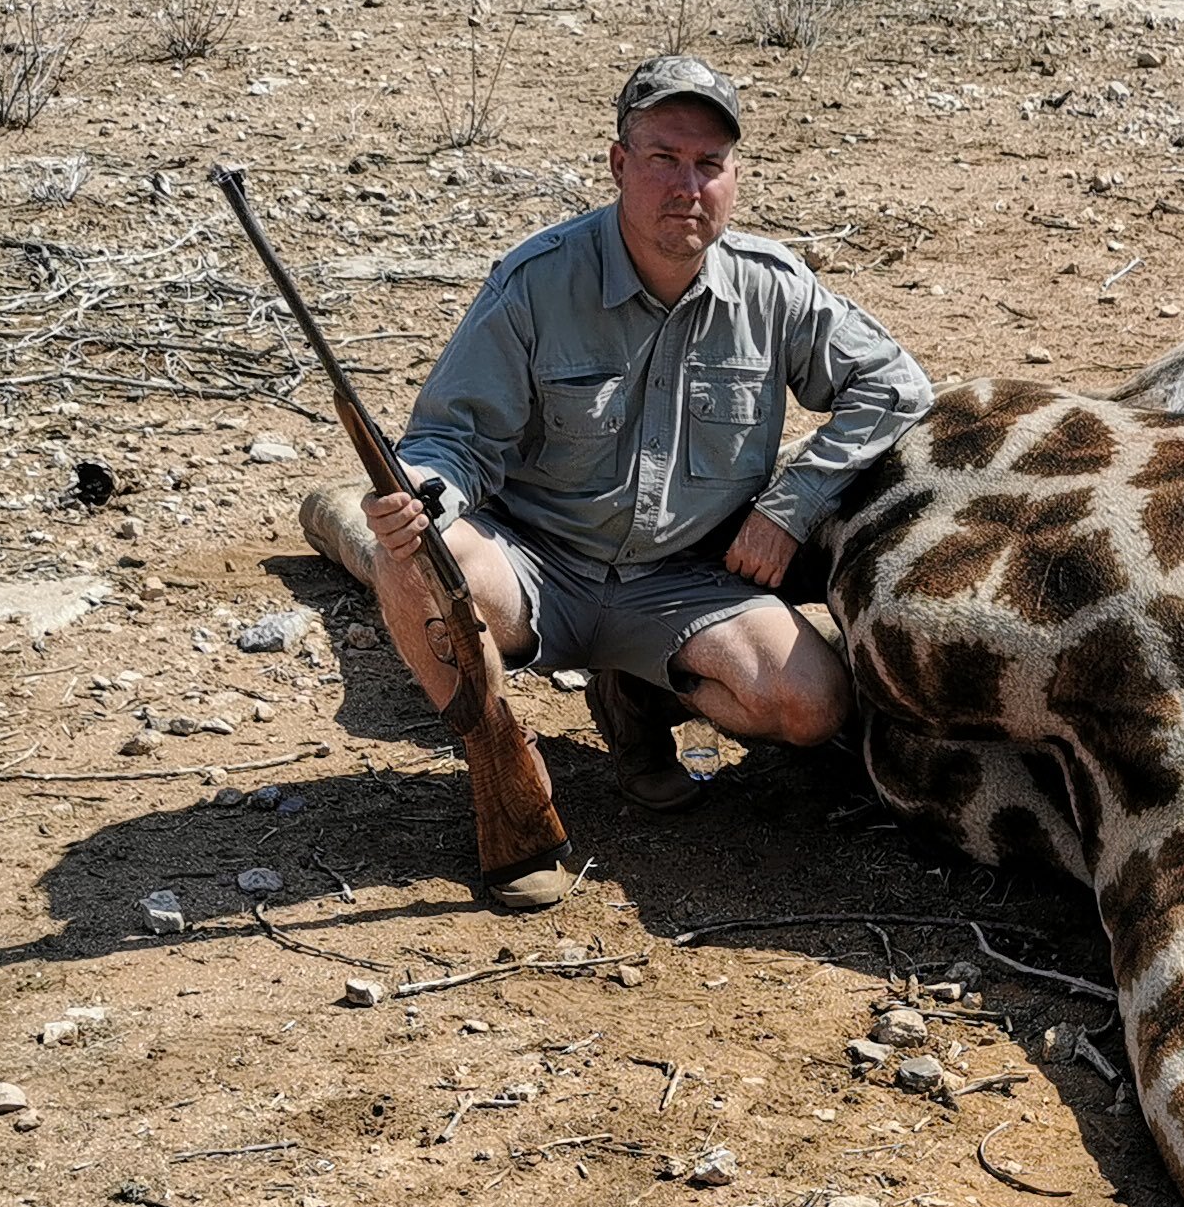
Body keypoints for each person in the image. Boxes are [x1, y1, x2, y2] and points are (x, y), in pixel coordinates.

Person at [299, 55, 931, 909]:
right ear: (617, 163)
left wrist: (791, 505)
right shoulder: (535, 281)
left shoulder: (775, 288)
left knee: (809, 708)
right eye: (664, 158)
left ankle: (634, 691)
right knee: (419, 557)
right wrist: (422, 493)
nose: (688, 186)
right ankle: (493, 756)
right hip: (538, 565)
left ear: (734, 176)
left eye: (710, 165)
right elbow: (453, 438)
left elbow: (894, 386)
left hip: (679, 581)